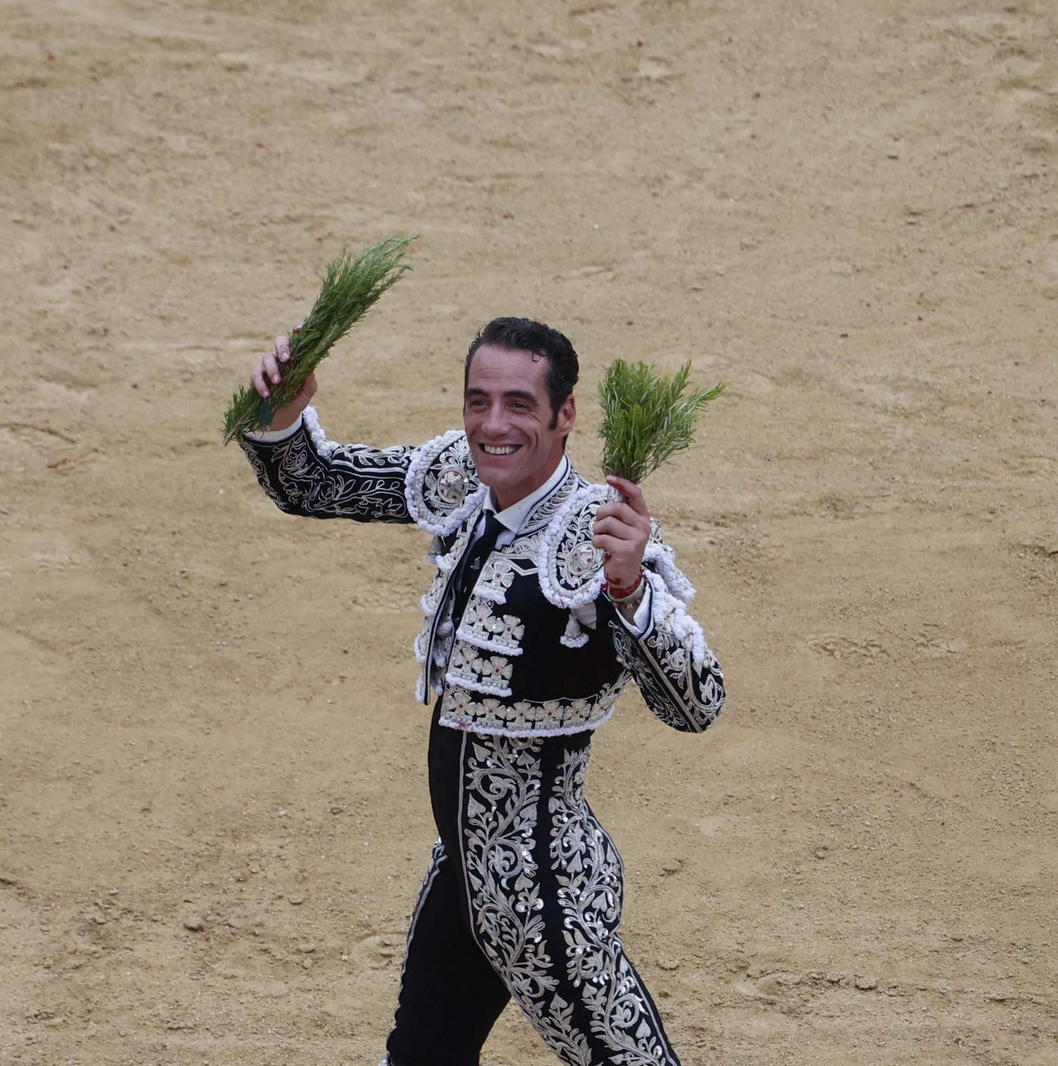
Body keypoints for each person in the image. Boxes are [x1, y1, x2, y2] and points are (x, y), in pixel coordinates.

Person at [238, 316, 725, 1066]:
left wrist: (630, 591)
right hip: (463, 877)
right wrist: (283, 407)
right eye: (478, 402)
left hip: (542, 896)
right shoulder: (462, 479)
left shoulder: (600, 537)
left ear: (566, 416)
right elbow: (317, 483)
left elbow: (698, 704)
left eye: (519, 404)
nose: (493, 425)